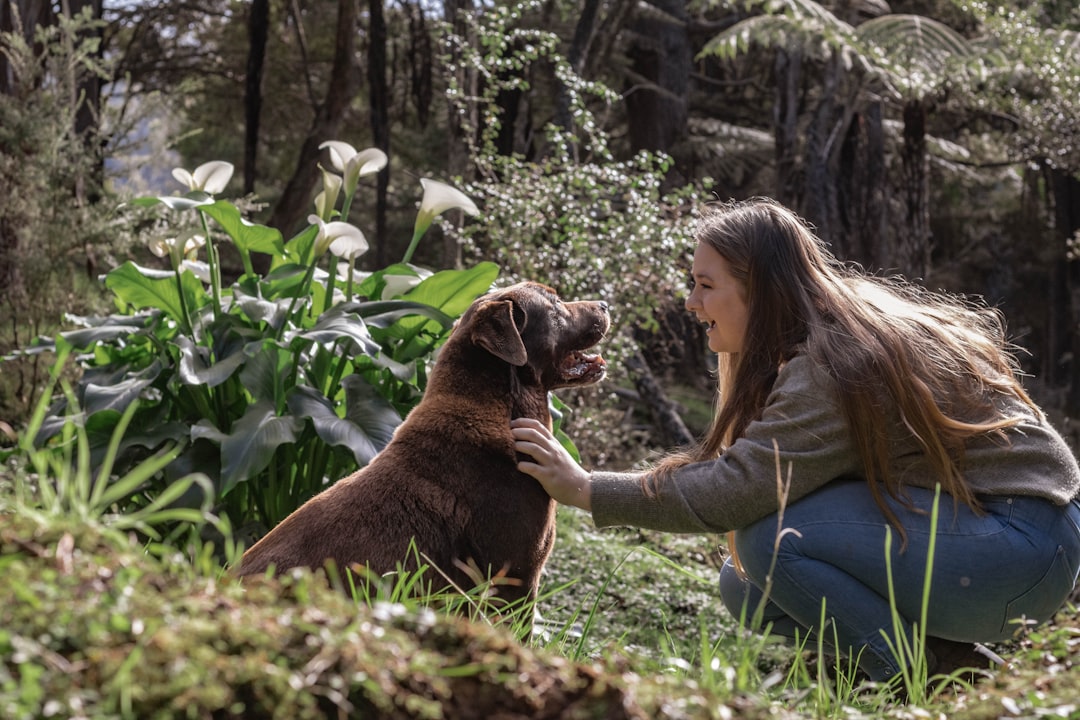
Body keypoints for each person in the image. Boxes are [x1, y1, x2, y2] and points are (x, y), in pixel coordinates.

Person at [510, 197, 1080, 687]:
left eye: (706, 286)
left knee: (772, 539)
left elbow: (735, 491)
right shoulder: (831, 333)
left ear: (763, 292)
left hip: (1020, 546)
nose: (691, 303)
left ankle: (917, 687)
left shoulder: (833, 365)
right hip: (1016, 549)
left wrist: (585, 488)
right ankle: (960, 674)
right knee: (746, 586)